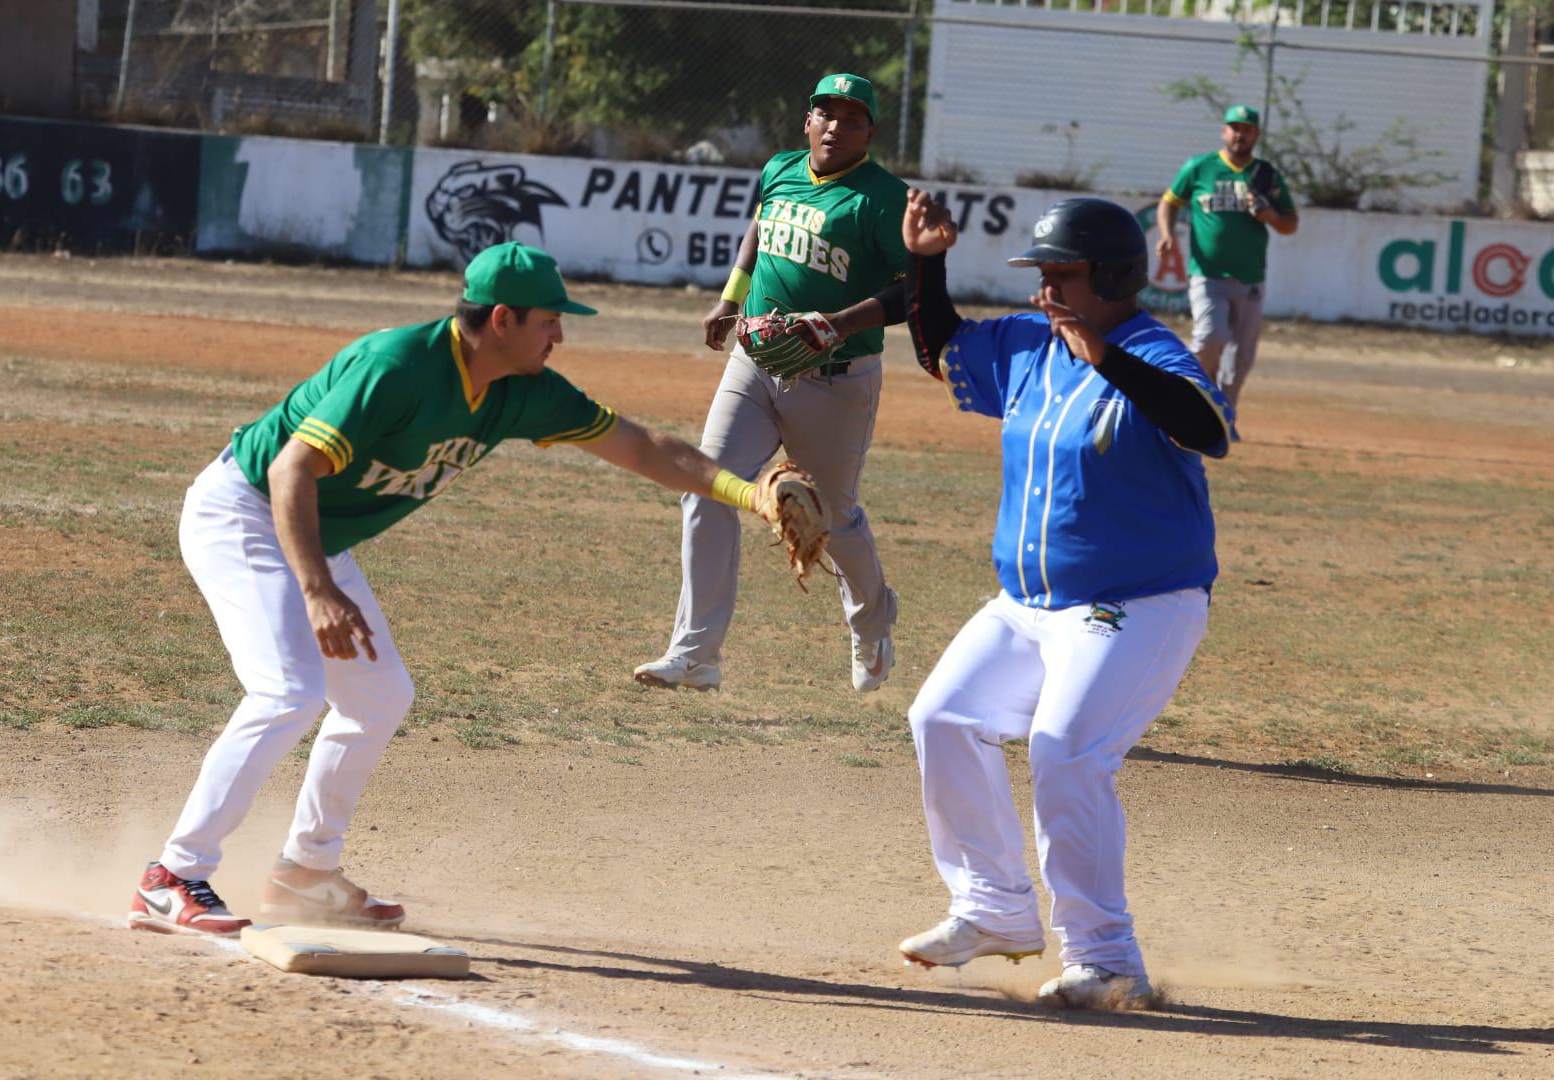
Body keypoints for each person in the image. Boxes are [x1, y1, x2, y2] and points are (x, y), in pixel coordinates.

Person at [129, 242, 815, 937]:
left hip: (315, 531)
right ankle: (172, 876)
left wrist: (748, 495)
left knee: (378, 695)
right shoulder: (395, 368)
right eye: (549, 320)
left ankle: (305, 873)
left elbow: (643, 447)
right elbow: (290, 471)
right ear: (501, 319)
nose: (561, 335)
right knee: (289, 689)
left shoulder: (522, 390)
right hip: (246, 510)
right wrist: (315, 589)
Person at [823, 193, 1233, 1010]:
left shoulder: (1152, 350)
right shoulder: (1028, 344)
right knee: (941, 717)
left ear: (1114, 276)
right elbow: (940, 348)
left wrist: (1108, 357)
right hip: (1027, 603)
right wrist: (928, 261)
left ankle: (1107, 957)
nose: (1047, 289)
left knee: (1065, 750)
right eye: (1041, 274)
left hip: (1136, 604)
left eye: (1064, 274)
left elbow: (1206, 428)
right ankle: (994, 910)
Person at [633, 73, 908, 694]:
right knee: (705, 484)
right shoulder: (781, 169)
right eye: (825, 112)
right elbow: (759, 231)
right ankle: (696, 652)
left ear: (869, 131)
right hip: (755, 363)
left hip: (836, 379)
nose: (836, 124)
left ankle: (872, 619)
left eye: (852, 116)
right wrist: (729, 298)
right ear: (807, 121)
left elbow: (909, 292)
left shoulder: (884, 198)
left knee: (833, 518)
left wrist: (836, 325)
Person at [1157, 103, 1297, 420]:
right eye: (1234, 128)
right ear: (1224, 131)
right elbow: (1168, 202)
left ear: (1256, 135)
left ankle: (1223, 413)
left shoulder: (1265, 175)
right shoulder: (1199, 168)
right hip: (1206, 273)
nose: (1240, 134)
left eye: (1247, 129)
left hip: (1249, 276)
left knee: (1241, 356)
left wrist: (1270, 215)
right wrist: (1167, 234)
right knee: (1210, 337)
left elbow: (1291, 223)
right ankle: (1191, 398)